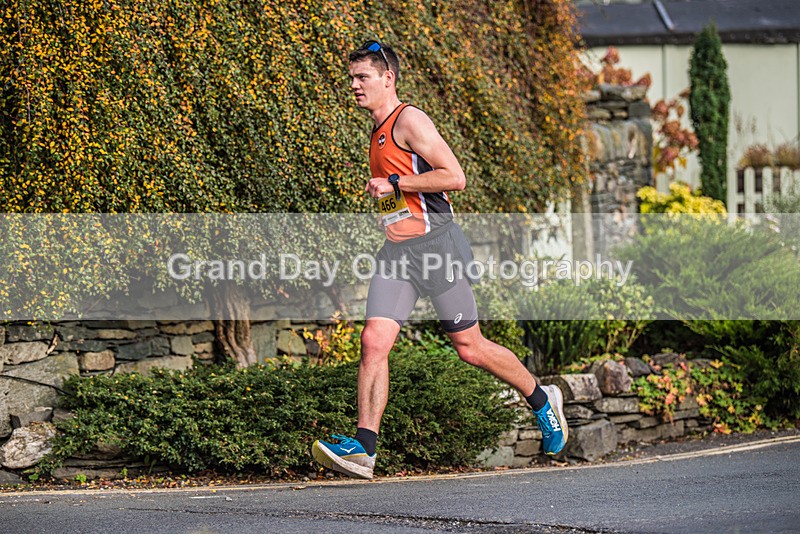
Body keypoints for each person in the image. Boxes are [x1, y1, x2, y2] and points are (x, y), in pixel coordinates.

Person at [311, 41, 567, 479]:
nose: (353, 85)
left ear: (387, 78)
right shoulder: (377, 130)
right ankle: (364, 449)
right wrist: (390, 205)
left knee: (470, 347)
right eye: (351, 78)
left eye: (362, 77)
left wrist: (395, 183)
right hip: (397, 253)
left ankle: (543, 400)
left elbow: (455, 177)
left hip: (436, 249)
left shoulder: (410, 120)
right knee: (374, 341)